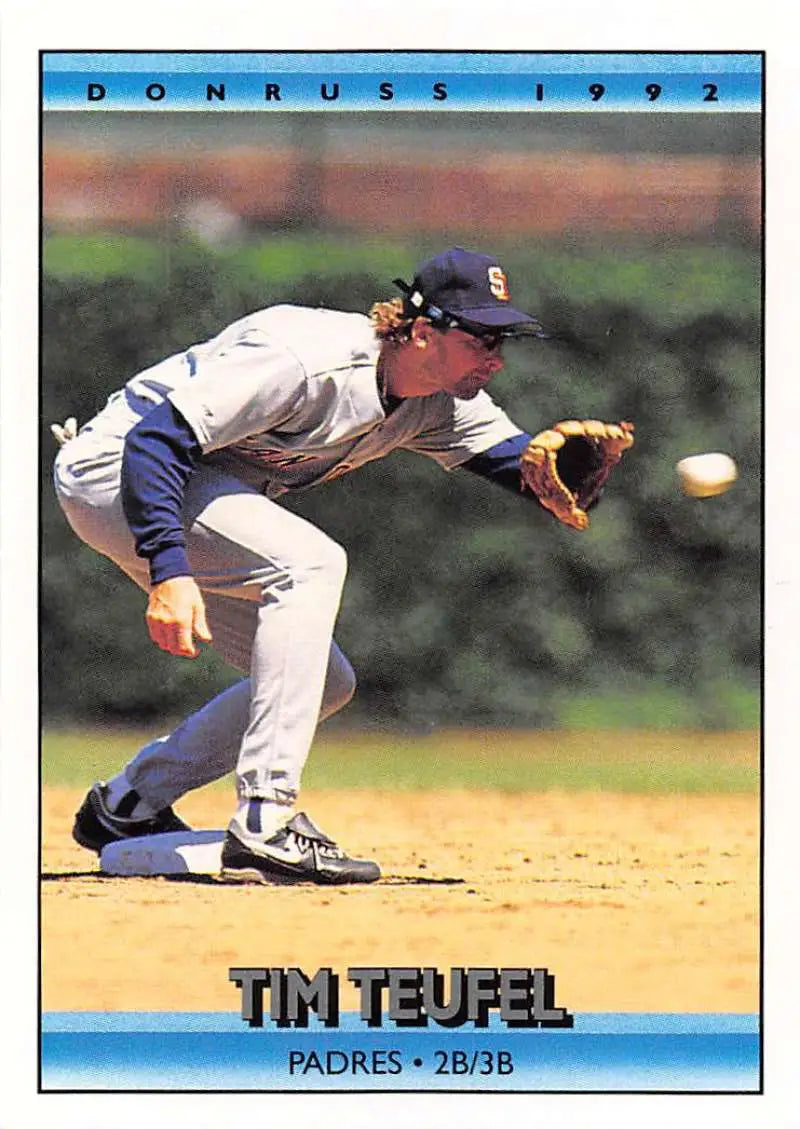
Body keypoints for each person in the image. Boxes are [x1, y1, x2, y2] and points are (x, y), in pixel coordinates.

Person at [53, 246, 552, 885]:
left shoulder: (440, 400)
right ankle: (265, 821)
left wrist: (573, 473)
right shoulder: (305, 360)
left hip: (192, 488)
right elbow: (157, 441)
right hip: (117, 469)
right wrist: (168, 573)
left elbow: (525, 466)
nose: (496, 356)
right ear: (423, 331)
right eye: (482, 335)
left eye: (503, 338)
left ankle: (127, 805)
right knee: (310, 563)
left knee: (325, 680)